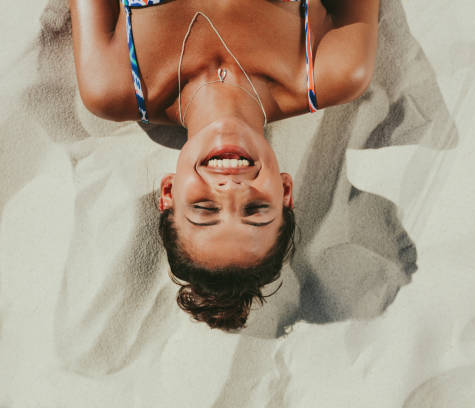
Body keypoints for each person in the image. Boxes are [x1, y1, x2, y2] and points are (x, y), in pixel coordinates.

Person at [69, 0, 379, 330]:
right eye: (256, 209)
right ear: (285, 191)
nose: (230, 188)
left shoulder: (114, 84)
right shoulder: (332, 69)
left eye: (204, 208)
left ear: (169, 192)